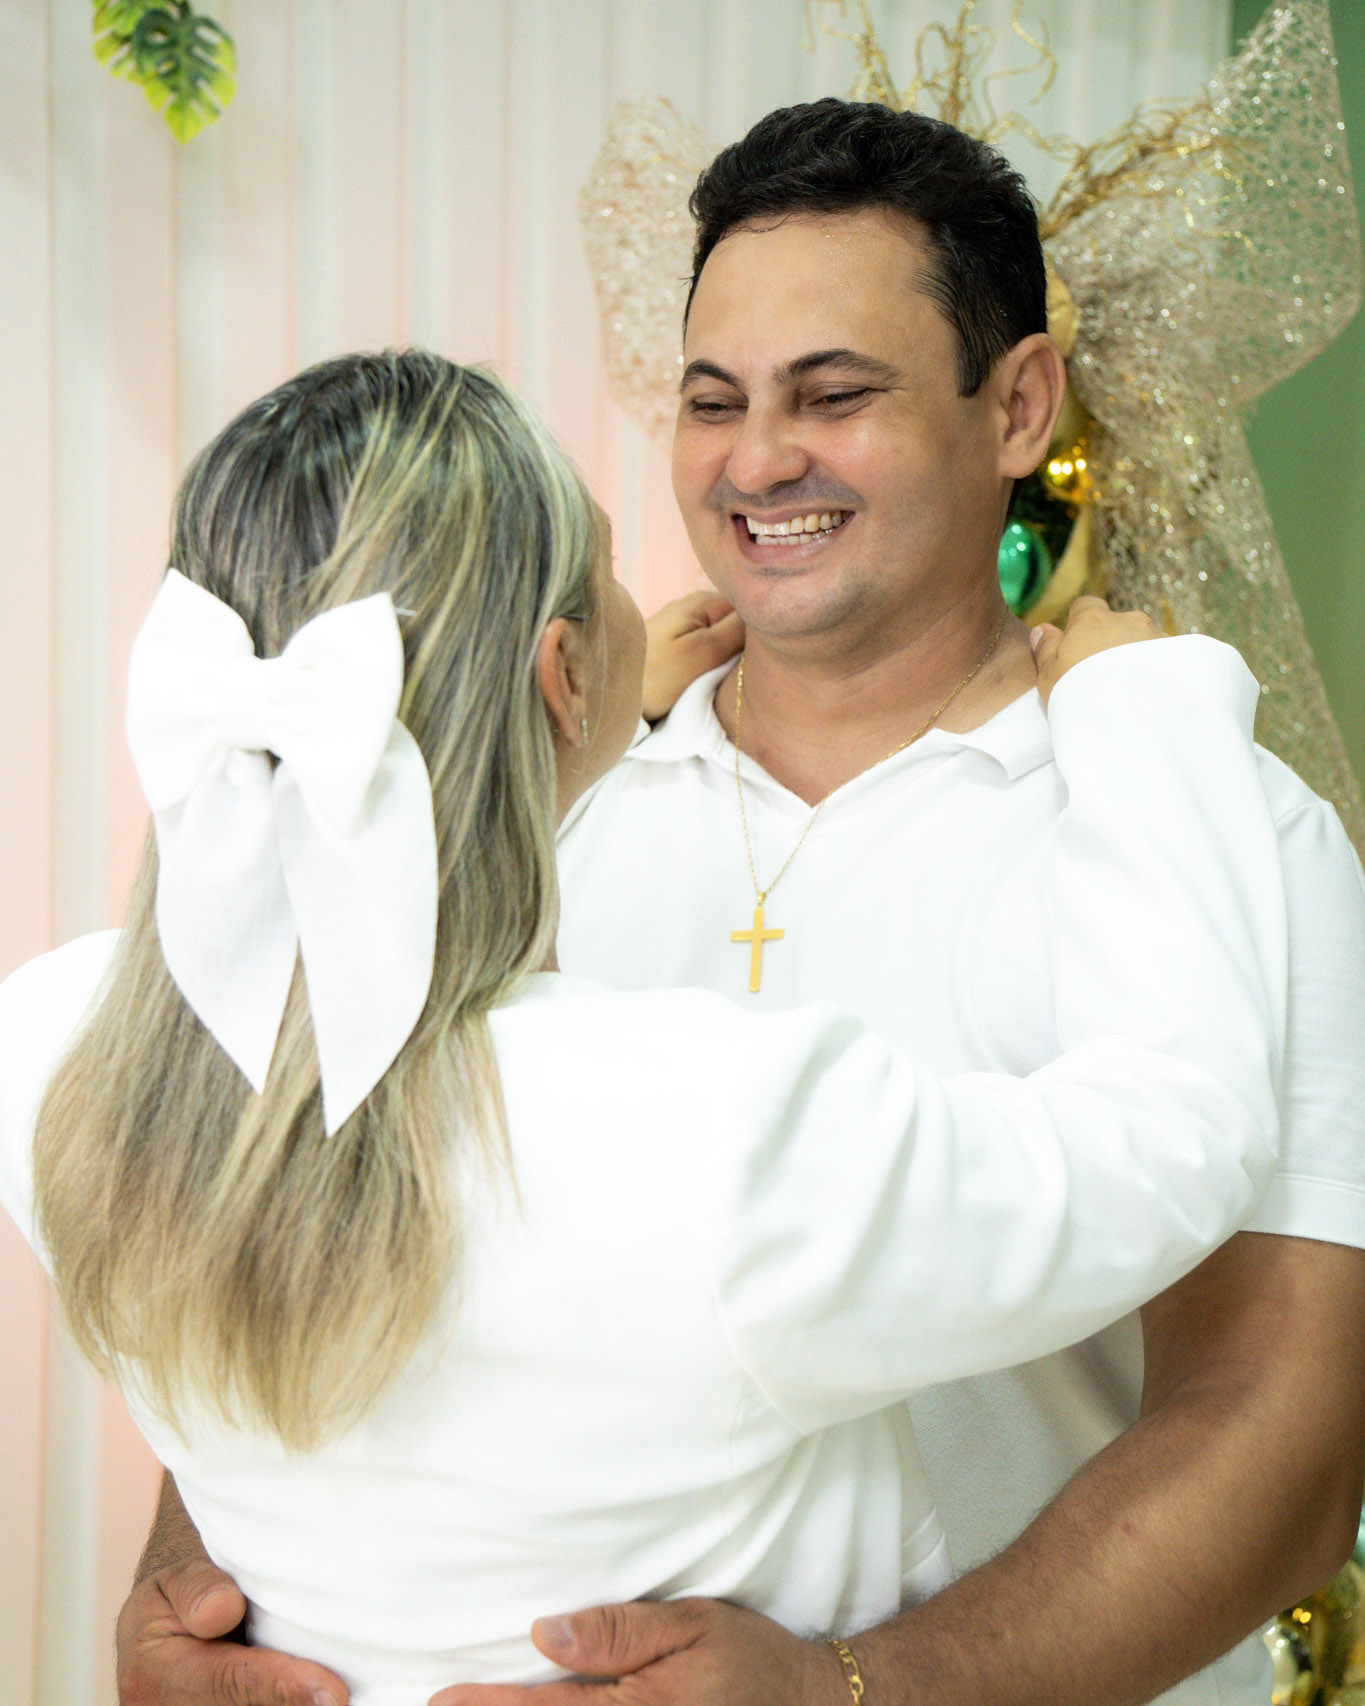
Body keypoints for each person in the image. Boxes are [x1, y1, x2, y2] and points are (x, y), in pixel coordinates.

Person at [111, 104, 1365, 1706]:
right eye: (713, 402)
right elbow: (297, 1206)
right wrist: (192, 1581)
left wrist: (853, 1688)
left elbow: (1278, 1431)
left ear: (1015, 405)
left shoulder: (1214, 832)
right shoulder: (528, 813)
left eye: (833, 396)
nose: (757, 459)